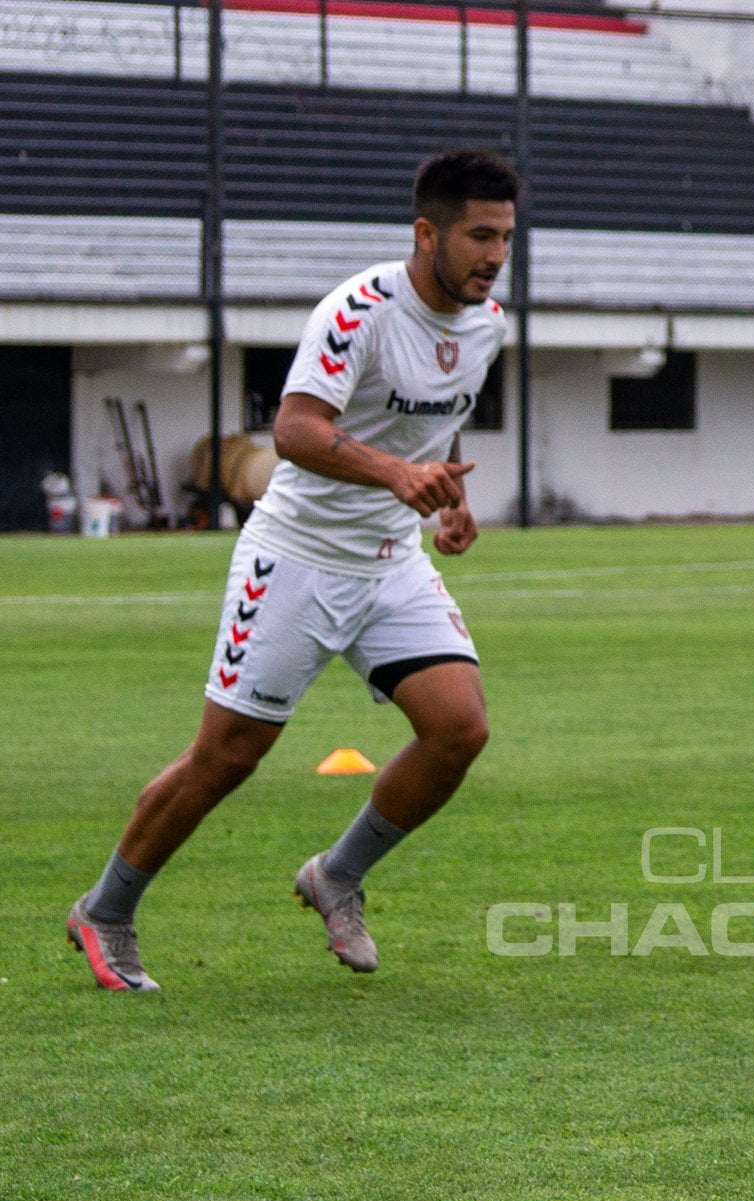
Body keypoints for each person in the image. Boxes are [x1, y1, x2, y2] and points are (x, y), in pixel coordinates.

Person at [65, 149, 518, 991]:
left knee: (459, 728)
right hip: (297, 560)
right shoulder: (358, 311)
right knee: (226, 758)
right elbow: (296, 432)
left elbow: (437, 422)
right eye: (478, 236)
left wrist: (448, 494)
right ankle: (106, 909)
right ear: (428, 234)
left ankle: (336, 875)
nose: (494, 256)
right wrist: (394, 474)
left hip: (390, 562)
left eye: (505, 238)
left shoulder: (488, 324)